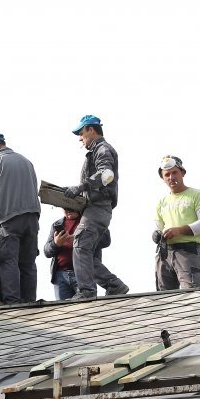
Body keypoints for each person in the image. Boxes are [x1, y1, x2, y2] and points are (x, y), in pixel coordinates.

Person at [63, 115, 129, 299]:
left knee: (80, 246)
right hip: (96, 207)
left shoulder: (102, 149)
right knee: (85, 252)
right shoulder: (98, 150)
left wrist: (81, 187)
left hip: (98, 206)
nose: (80, 138)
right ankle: (114, 285)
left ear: (91, 129)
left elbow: (106, 174)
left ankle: (86, 291)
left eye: (81, 133)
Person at [0, 131, 40, 304]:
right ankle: (29, 301)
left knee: (8, 260)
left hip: (8, 219)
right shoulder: (26, 161)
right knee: (28, 262)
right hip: (32, 218)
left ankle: (13, 303)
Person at [154, 155, 200, 290]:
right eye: (167, 174)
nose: (171, 177)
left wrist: (179, 230)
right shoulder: (162, 202)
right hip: (164, 254)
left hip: (188, 252)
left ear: (183, 173)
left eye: (175, 172)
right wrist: (156, 234)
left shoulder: (197, 195)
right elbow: (158, 227)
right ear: (162, 178)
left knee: (192, 297)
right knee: (163, 301)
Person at [44, 208, 113, 300]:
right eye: (64, 207)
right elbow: (47, 252)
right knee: (63, 311)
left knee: (85, 308)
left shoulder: (91, 221)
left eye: (70, 206)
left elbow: (106, 241)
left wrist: (80, 239)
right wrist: (56, 243)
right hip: (61, 277)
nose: (68, 209)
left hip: (83, 275)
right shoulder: (56, 225)